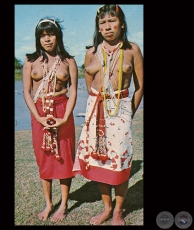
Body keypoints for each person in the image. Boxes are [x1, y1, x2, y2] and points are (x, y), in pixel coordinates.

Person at [73, 4, 143, 225]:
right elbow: (89, 84)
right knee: (99, 160)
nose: (107, 26)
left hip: (120, 108)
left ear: (121, 24)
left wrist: (128, 112)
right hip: (97, 108)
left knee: (119, 161)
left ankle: (118, 212)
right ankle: (106, 208)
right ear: (98, 27)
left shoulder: (132, 49)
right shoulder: (91, 52)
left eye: (112, 21)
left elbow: (140, 86)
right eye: (102, 23)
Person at [22, 17, 78, 222]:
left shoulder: (69, 61)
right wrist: (38, 117)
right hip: (39, 112)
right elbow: (26, 92)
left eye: (51, 34)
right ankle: (49, 203)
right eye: (43, 35)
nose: (47, 39)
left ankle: (63, 204)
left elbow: (73, 92)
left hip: (62, 110)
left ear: (58, 36)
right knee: (44, 158)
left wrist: (64, 118)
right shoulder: (30, 61)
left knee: (64, 157)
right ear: (38, 38)